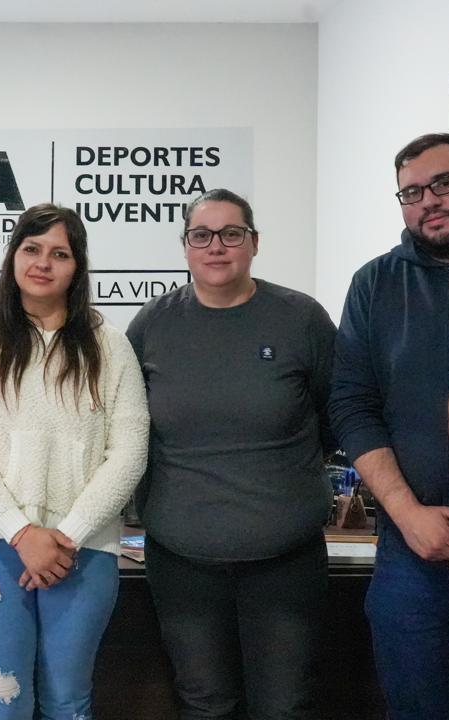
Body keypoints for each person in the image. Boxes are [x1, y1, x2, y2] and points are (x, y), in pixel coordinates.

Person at [329, 133, 449, 720]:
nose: (428, 201)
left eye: (445, 183)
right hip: (410, 555)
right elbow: (352, 406)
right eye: (411, 192)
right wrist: (408, 515)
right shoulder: (375, 284)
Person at [127, 188, 336, 719]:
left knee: (285, 708)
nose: (216, 246)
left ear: (254, 243)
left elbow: (336, 418)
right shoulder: (151, 326)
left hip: (286, 563)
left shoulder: (302, 319)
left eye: (231, 234)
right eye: (201, 235)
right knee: (205, 706)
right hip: (183, 564)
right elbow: (127, 429)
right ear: (185, 246)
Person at [0, 204, 149, 719]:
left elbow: (129, 452)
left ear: (77, 267)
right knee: (3, 703)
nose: (43, 263)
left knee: (68, 704)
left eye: (60, 254)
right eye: (32, 249)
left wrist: (66, 536)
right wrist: (21, 533)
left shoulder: (110, 346)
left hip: (83, 550)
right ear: (13, 256)